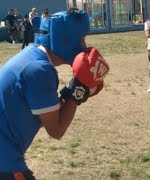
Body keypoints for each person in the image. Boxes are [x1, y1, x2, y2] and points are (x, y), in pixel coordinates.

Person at [0, 8, 109, 179]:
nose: (84, 45)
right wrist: (78, 90)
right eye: (81, 39)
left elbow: (46, 116)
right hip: (5, 164)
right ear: (65, 39)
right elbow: (56, 130)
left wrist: (71, 91)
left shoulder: (31, 56)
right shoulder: (40, 70)